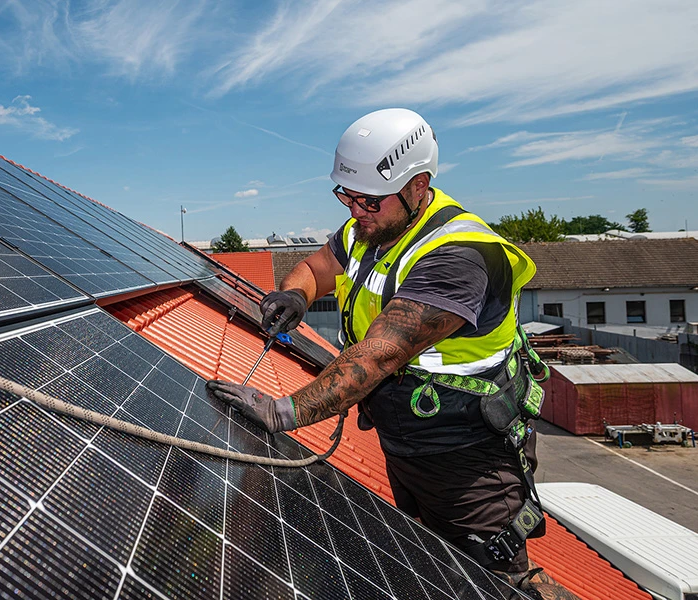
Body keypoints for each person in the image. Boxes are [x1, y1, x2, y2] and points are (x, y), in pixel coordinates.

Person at [207, 109, 575, 599]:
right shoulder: (370, 228)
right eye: (346, 196)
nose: (356, 209)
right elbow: (318, 267)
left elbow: (378, 357)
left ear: (418, 185)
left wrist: (281, 412)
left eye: (368, 200)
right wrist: (296, 294)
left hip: (468, 460)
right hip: (406, 444)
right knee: (428, 568)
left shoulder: (458, 256)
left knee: (493, 582)